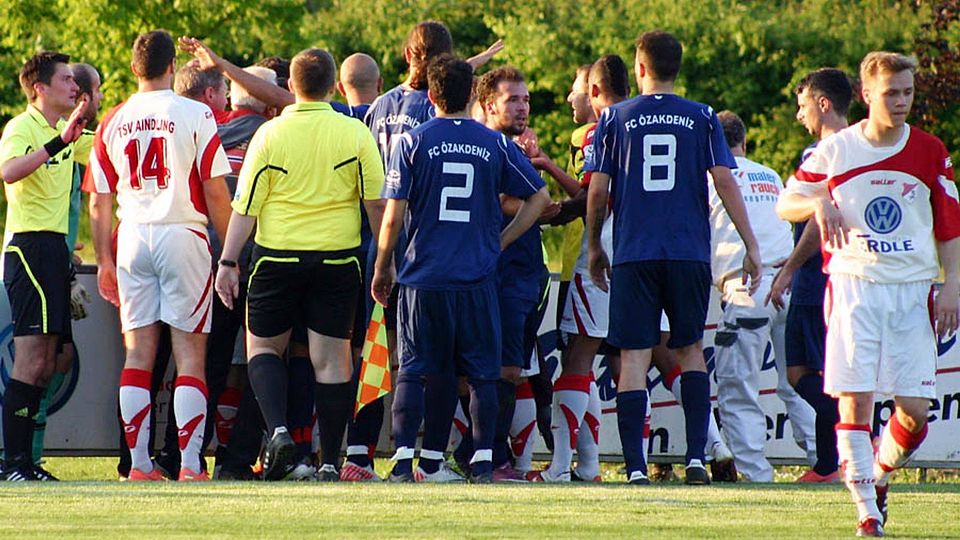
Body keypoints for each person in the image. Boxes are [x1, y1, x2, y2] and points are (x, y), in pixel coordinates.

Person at [776, 51, 960, 538]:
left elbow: (950, 230)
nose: (901, 102)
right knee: (853, 403)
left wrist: (952, 288)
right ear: (865, 95)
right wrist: (819, 202)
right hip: (854, 287)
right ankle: (866, 516)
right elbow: (786, 201)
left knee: (915, 414)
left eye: (907, 93)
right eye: (891, 93)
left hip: (913, 289)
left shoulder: (929, 150)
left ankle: (878, 476)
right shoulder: (839, 149)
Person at [584, 30, 761, 485]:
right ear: (677, 68)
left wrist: (594, 245)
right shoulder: (702, 116)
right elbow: (725, 181)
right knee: (689, 351)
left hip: (634, 253)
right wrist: (751, 244)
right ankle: (698, 460)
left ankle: (637, 469)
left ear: (639, 68)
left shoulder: (615, 118)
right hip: (687, 252)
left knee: (636, 356)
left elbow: (599, 190)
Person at [371, 55, 551, 483]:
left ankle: (403, 461)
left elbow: (393, 217)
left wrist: (383, 267)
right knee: (483, 373)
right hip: (476, 276)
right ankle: (482, 461)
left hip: (423, 276)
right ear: (472, 93)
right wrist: (500, 242)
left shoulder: (413, 141)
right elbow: (539, 199)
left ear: (431, 95)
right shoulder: (495, 144)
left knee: (415, 369)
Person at [214, 47, 386, 482]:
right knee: (332, 362)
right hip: (338, 259)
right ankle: (330, 460)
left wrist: (229, 261)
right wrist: (384, 262)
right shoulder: (355, 133)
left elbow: (245, 207)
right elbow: (376, 208)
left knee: (264, 349)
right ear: (333, 87)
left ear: (289, 87)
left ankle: (277, 431)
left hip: (276, 257)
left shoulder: (269, 136)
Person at [86, 30, 233, 482]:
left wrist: (105, 259)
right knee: (190, 352)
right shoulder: (194, 113)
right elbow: (214, 191)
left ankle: (140, 465)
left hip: (131, 236)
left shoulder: (113, 119)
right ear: (173, 66)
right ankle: (189, 465)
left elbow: (98, 201)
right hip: (183, 231)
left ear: (134, 69)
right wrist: (231, 252)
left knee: (138, 354)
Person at [709, 110, 817, 482]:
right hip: (787, 285)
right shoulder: (769, 175)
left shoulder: (711, 179)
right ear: (744, 142)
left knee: (738, 386)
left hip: (746, 288)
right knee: (796, 381)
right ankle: (826, 461)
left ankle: (756, 474)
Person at [0, 52, 90, 481]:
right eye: (67, 80)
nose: (75, 87)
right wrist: (59, 143)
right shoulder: (22, 127)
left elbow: (109, 146)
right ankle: (12, 462)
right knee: (31, 359)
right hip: (28, 248)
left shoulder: (66, 130)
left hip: (54, 250)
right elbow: (9, 172)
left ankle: (25, 462)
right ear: (40, 87)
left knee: (55, 359)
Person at [766, 68, 854, 484]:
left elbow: (818, 224)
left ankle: (842, 451)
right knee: (806, 373)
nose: (799, 115)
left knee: (810, 372)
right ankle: (829, 463)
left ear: (823, 104)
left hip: (819, 278)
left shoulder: (829, 153)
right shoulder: (855, 148)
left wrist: (788, 270)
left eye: (803, 106)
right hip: (825, 277)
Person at [473, 66, 558, 481]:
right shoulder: (483, 146)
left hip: (525, 274)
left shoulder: (519, 149)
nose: (522, 107)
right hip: (485, 271)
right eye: (513, 100)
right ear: (489, 105)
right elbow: (509, 199)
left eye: (525, 99)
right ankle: (485, 455)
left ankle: (496, 456)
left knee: (513, 368)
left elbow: (539, 202)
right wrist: (534, 207)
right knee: (483, 368)